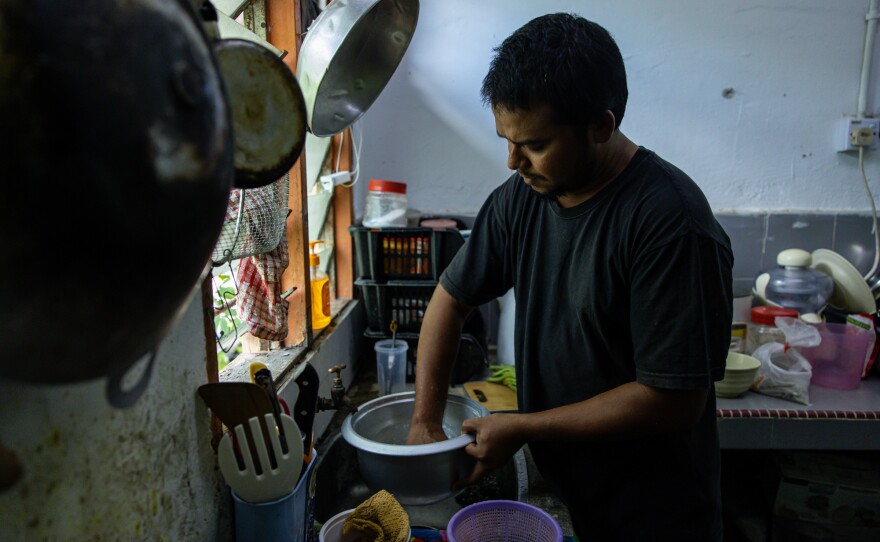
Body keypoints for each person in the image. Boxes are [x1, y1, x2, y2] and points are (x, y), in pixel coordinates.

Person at [406, 12, 733, 542]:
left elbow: (672, 399)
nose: (513, 161)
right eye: (506, 139)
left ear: (601, 126)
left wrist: (523, 427)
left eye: (534, 145)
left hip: (654, 512)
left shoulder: (671, 223)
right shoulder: (522, 198)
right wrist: (425, 419)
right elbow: (450, 296)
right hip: (570, 489)